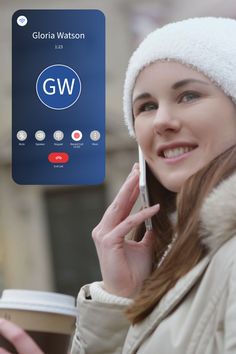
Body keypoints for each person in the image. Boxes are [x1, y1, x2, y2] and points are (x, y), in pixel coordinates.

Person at [70, 17, 236, 354]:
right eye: (146, 106)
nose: (161, 121)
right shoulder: (182, 258)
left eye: (188, 96)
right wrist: (121, 297)